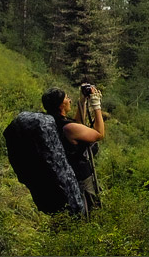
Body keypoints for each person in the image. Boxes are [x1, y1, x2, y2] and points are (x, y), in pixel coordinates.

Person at [42, 84, 104, 213]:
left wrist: (82, 100)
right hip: (81, 177)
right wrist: (96, 105)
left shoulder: (53, 121)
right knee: (90, 211)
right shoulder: (69, 128)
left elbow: (77, 124)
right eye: (67, 98)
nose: (70, 100)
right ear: (61, 105)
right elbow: (99, 134)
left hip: (67, 175)